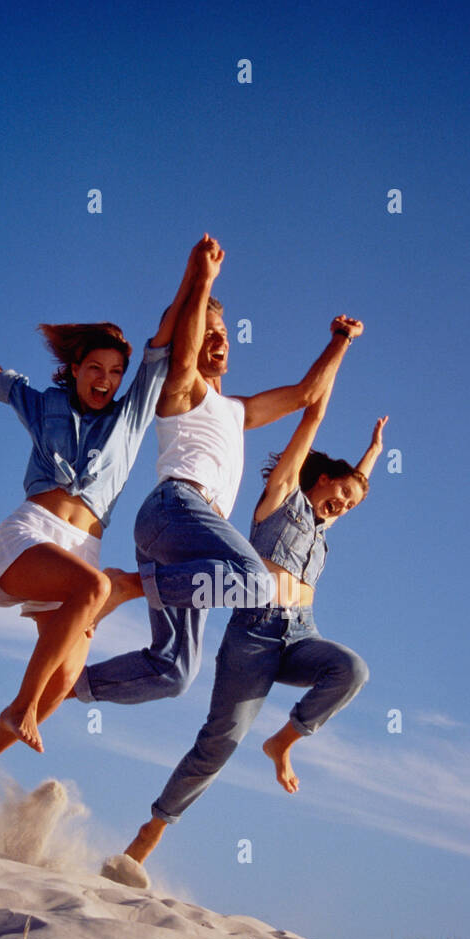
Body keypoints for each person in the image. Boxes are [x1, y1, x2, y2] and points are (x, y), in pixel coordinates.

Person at [0, 243, 197, 819]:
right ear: (74, 368)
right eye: (94, 369)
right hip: (32, 535)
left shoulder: (130, 418)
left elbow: (162, 341)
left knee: (65, 683)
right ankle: (18, 709)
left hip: (83, 549)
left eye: (114, 373)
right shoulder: (45, 404)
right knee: (97, 590)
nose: (105, 380)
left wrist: (191, 275)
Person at [71, 233, 364, 718]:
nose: (219, 338)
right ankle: (125, 586)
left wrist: (340, 341)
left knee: (175, 672)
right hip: (176, 510)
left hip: (193, 546)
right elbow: (182, 357)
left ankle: (67, 687)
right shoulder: (181, 392)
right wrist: (203, 281)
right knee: (256, 581)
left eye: (223, 331)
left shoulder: (237, 409)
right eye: (208, 331)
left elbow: (308, 394)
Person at [103, 395, 387, 889]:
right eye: (342, 491)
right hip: (252, 637)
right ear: (321, 478)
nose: (344, 504)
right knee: (221, 741)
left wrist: (373, 456)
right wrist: (317, 405)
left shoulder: (323, 529)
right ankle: (149, 835)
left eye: (353, 503)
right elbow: (307, 434)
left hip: (300, 636)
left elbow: (352, 493)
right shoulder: (282, 498)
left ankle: (284, 741)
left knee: (353, 670)